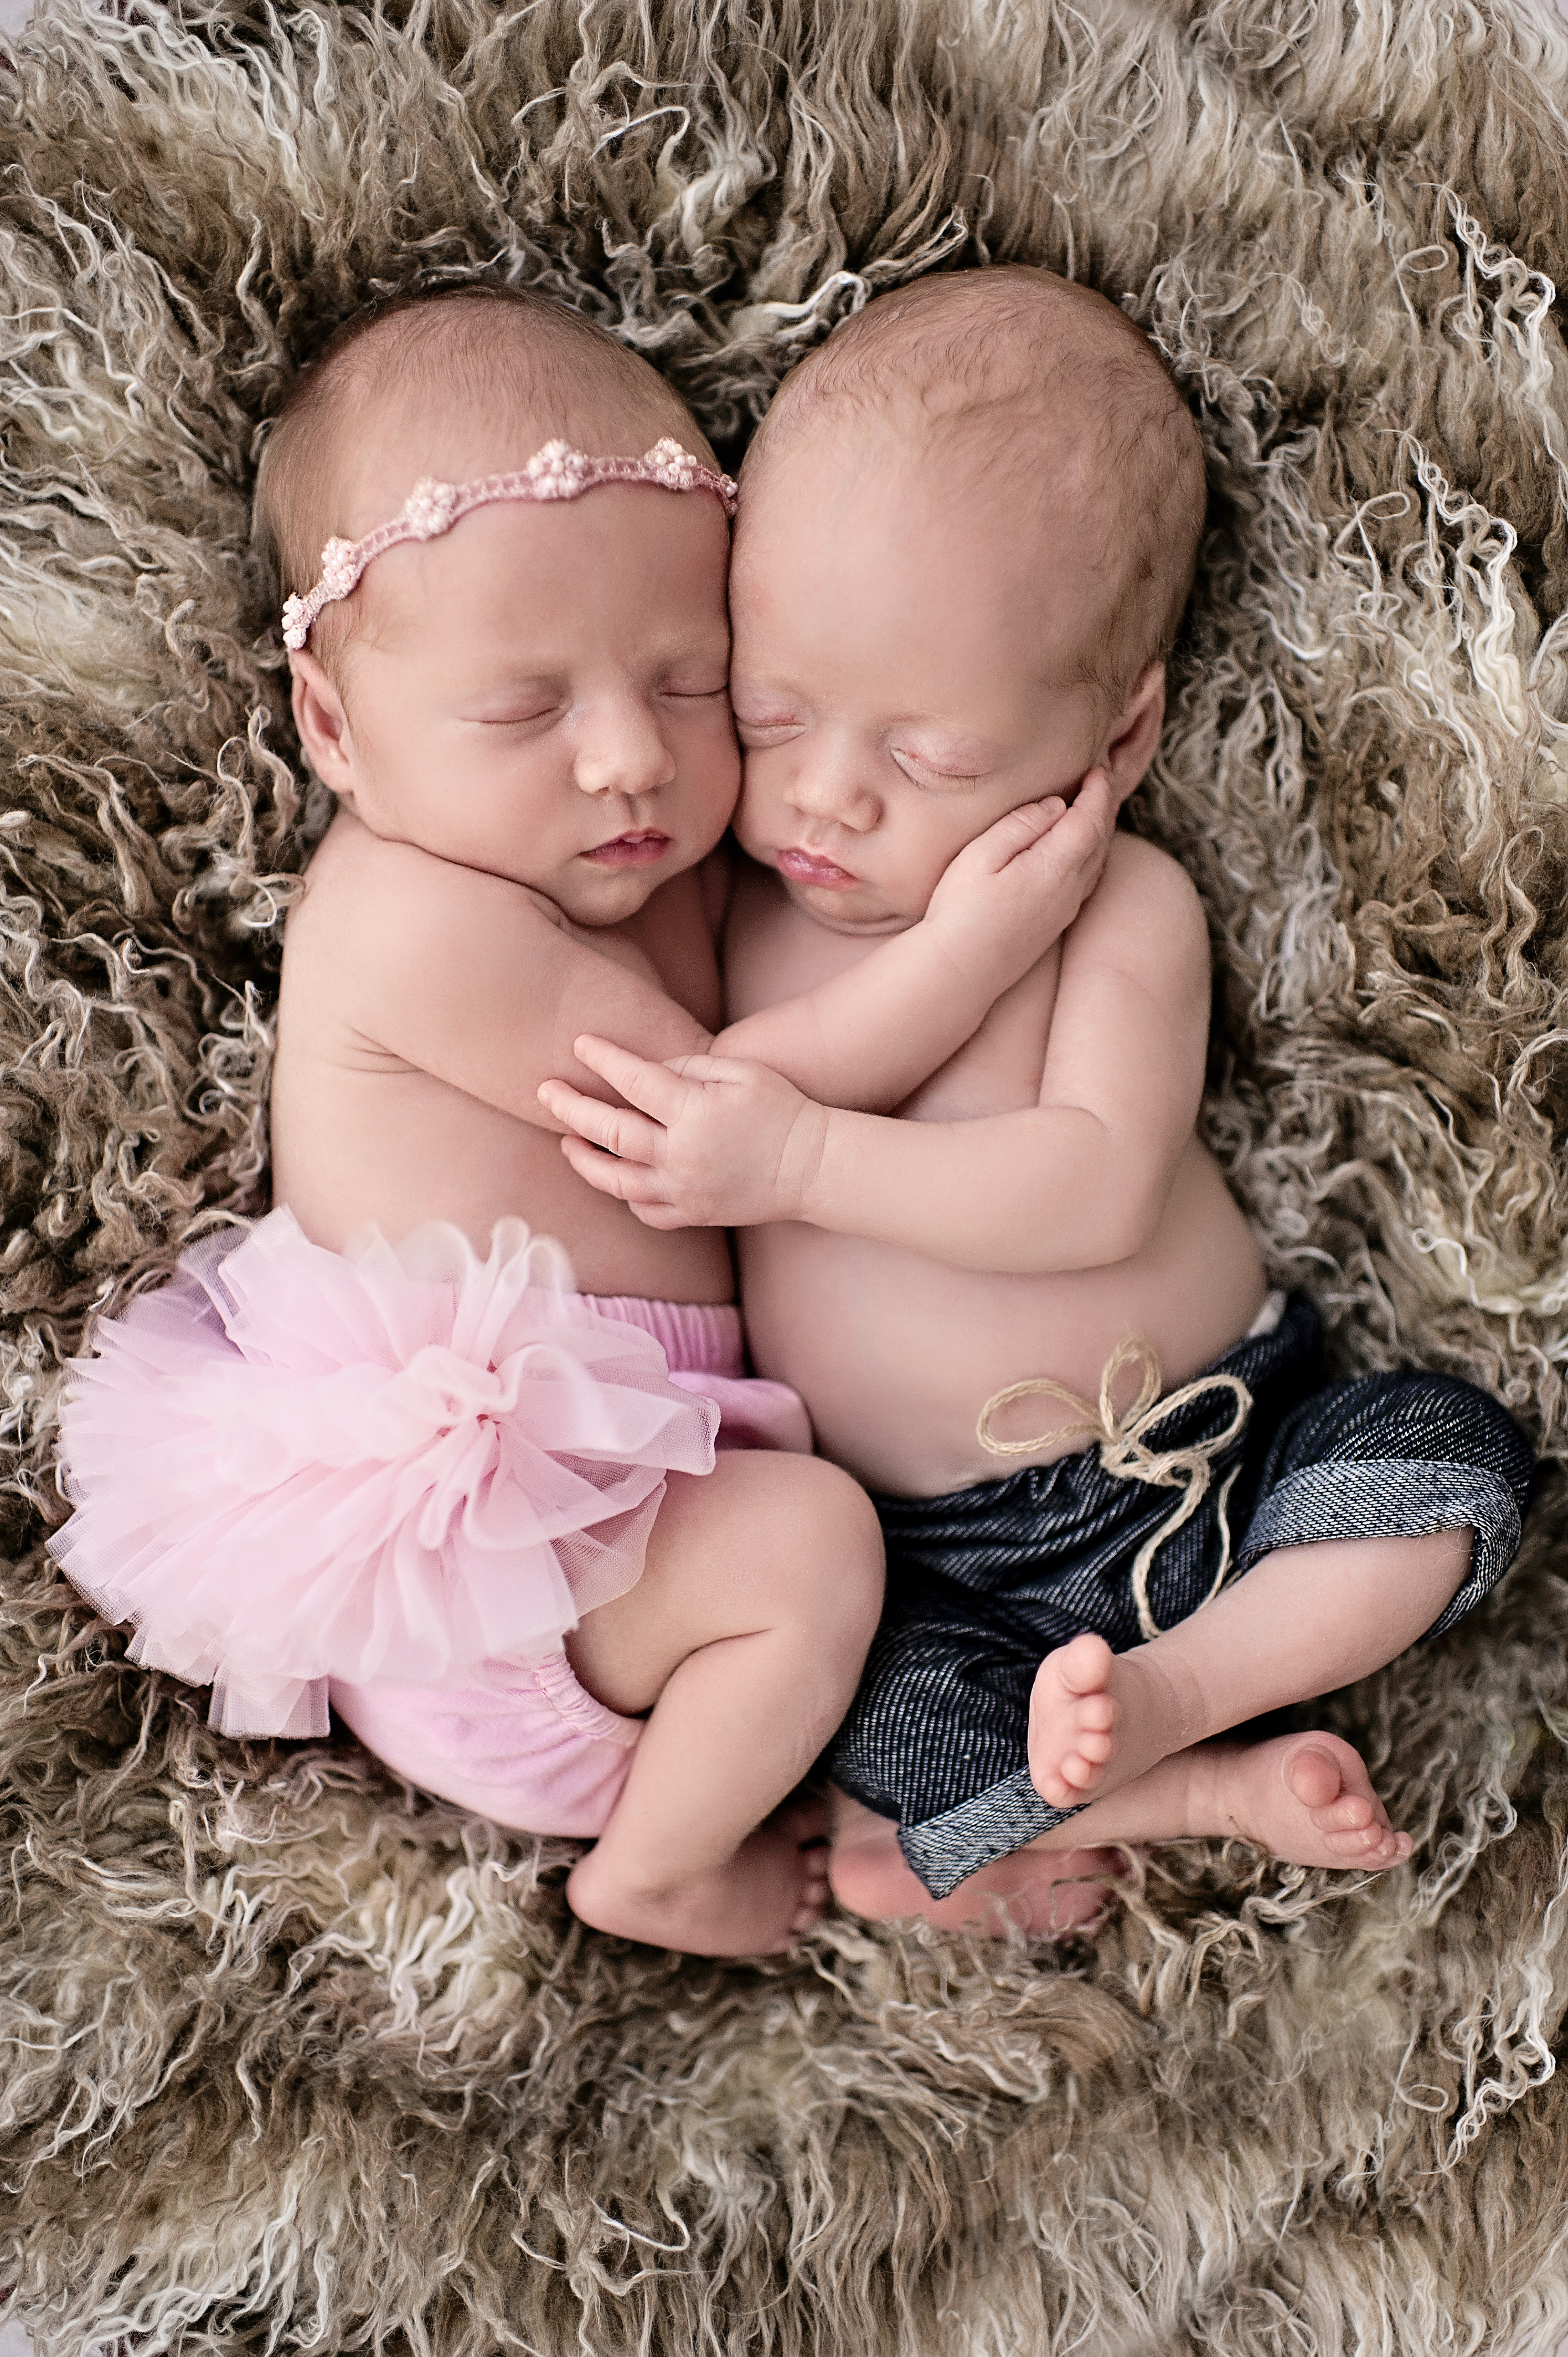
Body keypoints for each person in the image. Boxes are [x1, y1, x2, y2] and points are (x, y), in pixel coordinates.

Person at [46, 284, 1119, 1957]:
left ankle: (903, 1813)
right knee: (820, 1549)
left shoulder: (651, 878)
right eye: (525, 710)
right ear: (333, 727)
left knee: (906, 1584)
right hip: (490, 1576)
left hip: (626, 1537)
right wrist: (978, 942)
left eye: (694, 687)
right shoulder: (410, 919)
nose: (629, 759)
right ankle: (656, 1871)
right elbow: (724, 1103)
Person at [541, 267, 1535, 1936]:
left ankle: (1189, 1694)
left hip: (1233, 1448)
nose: (828, 795)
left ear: (1119, 729)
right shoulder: (726, 907)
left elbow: (1090, 1189)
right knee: (866, 1706)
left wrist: (798, 1157)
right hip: (949, 1563)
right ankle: (1184, 1782)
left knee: (1449, 1464)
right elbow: (706, 1095)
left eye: (930, 757)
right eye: (772, 714)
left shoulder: (1119, 907)